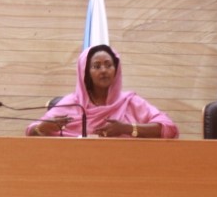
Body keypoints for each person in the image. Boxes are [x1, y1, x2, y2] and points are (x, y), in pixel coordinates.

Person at [27, 44, 178, 138]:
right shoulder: (71, 104)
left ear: (116, 69)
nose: (104, 70)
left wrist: (127, 128)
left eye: (108, 65)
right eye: (96, 66)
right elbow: (31, 132)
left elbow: (169, 128)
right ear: (85, 72)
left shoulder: (130, 102)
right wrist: (42, 128)